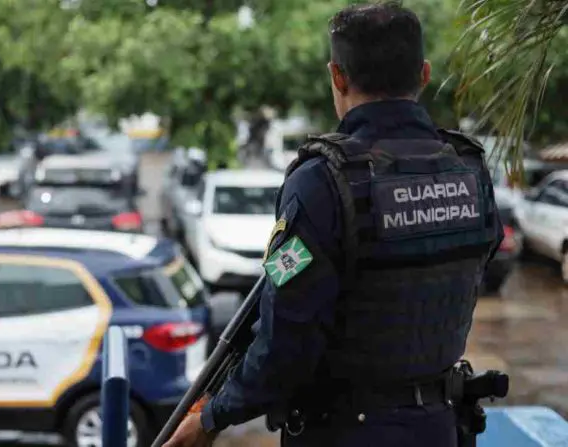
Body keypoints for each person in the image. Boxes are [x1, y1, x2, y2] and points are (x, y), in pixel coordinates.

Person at [162, 2, 503, 447]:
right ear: (424, 74)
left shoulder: (321, 182)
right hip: (439, 429)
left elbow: (287, 342)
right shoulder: (470, 169)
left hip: (343, 432)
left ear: (337, 77)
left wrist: (213, 416)